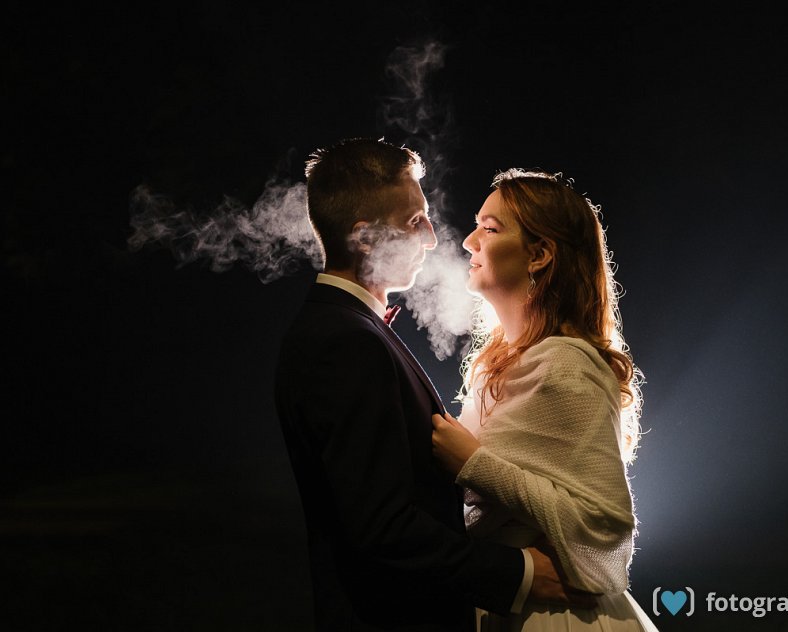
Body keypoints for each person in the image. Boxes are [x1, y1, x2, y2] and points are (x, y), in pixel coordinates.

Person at [274, 140, 598, 631]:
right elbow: (382, 527)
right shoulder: (345, 342)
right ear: (365, 238)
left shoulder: (349, 332)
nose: (432, 237)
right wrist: (522, 574)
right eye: (414, 221)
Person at [431, 169, 659, 631]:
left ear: (538, 254)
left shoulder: (565, 363)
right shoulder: (502, 367)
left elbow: (605, 524)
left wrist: (474, 464)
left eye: (490, 229)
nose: (469, 241)